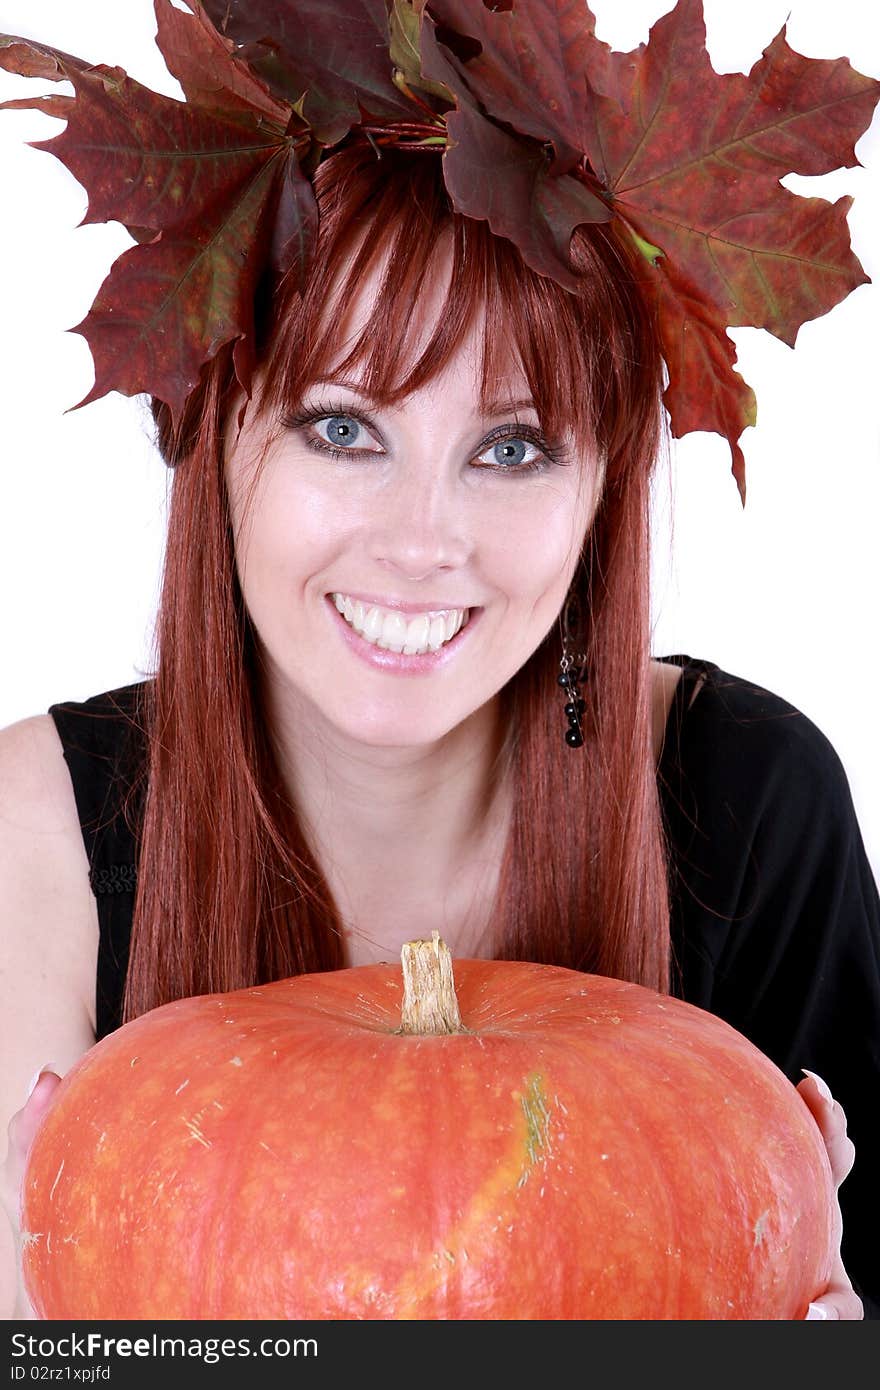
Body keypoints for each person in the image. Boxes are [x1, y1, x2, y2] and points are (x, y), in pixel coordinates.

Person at [1, 0, 878, 1322]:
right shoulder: (33, 839)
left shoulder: (754, 801)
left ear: (606, 490)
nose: (424, 544)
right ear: (212, 424)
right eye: (345, 429)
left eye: (513, 447)